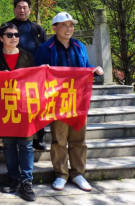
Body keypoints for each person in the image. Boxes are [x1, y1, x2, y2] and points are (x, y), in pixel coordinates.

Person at [35, 12, 104, 193]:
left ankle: (78, 173)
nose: (69, 28)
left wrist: (95, 70)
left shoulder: (79, 46)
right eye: (64, 25)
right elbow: (37, 73)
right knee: (59, 139)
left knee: (79, 139)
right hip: (57, 102)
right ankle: (61, 174)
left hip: (78, 100)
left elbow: (85, 68)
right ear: (54, 28)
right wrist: (42, 70)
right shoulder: (45, 48)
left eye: (71, 25)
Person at [0, 23, 36, 202]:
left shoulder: (27, 56)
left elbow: (34, 80)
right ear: (1, 38)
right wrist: (0, 77)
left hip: (23, 107)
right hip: (4, 107)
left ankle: (27, 180)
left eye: (16, 35)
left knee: (26, 145)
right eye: (10, 35)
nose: (14, 38)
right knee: (9, 144)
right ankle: (13, 177)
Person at [8, 0, 48, 151]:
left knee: (37, 106)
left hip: (35, 74)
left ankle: (39, 138)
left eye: (25, 7)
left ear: (30, 10)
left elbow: (44, 48)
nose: (22, 10)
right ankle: (16, 137)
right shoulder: (8, 27)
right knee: (17, 107)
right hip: (16, 73)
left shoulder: (37, 28)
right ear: (14, 10)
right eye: (19, 7)